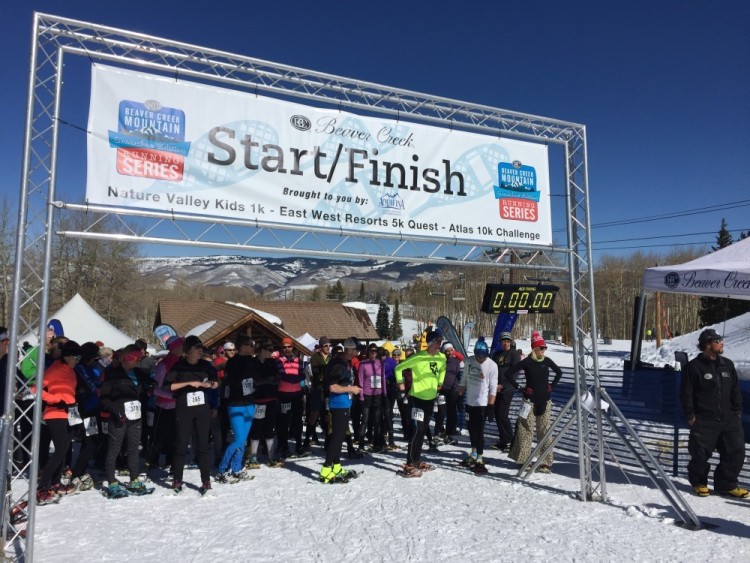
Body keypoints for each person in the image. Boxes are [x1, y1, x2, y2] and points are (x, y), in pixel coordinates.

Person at [680, 328, 747, 498]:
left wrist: (737, 410)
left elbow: (734, 389)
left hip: (729, 419)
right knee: (700, 454)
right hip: (704, 419)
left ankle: (726, 484)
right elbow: (686, 393)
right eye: (717, 341)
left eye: (720, 341)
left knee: (737, 451)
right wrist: (690, 415)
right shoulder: (694, 367)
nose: (721, 344)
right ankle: (699, 482)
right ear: (707, 345)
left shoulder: (727, 364)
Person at [164, 335, 220, 496]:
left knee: (202, 446)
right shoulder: (179, 366)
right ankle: (177, 480)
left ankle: (206, 481)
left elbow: (216, 382)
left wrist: (210, 384)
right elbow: (168, 386)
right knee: (181, 444)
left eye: (201, 347)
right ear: (188, 350)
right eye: (197, 348)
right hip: (184, 408)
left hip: (202, 408)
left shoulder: (206, 365)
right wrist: (188, 383)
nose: (200, 350)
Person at [100, 344, 154, 498]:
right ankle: (112, 482)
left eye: (139, 359)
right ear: (126, 359)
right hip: (119, 417)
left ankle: (134, 480)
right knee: (114, 450)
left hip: (135, 416)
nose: (137, 362)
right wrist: (115, 411)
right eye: (135, 359)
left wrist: (150, 387)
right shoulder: (113, 374)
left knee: (133, 449)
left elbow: (150, 384)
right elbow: (104, 397)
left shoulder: (138, 373)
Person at [505, 332, 562, 473]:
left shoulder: (547, 361)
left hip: (545, 401)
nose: (543, 350)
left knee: (544, 431)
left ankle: (546, 462)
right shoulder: (527, 362)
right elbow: (508, 374)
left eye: (545, 348)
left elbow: (559, 372)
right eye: (541, 348)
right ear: (534, 348)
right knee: (525, 431)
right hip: (529, 402)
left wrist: (552, 385)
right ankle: (523, 460)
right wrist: (520, 388)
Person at [33, 340, 81, 504]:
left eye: (79, 357)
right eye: (75, 357)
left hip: (69, 414)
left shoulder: (72, 371)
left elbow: (71, 392)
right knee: (60, 450)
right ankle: (42, 487)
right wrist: (55, 400)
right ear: (66, 356)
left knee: (65, 449)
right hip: (55, 414)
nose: (77, 360)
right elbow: (35, 389)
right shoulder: (54, 369)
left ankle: (55, 483)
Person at [394, 330, 446, 477]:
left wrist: (440, 383)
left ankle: (416, 460)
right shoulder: (418, 357)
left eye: (440, 342)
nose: (439, 344)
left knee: (423, 430)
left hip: (430, 398)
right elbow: (398, 368)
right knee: (417, 430)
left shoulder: (441, 357)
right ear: (430, 343)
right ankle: (409, 463)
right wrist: (401, 384)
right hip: (416, 398)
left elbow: (442, 369)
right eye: (437, 342)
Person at [319, 338, 361, 483]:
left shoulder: (343, 362)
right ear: (349, 349)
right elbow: (333, 387)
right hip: (338, 404)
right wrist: (352, 388)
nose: (357, 353)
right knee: (336, 438)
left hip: (343, 403)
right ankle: (325, 470)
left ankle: (336, 466)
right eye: (356, 350)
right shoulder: (338, 364)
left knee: (340, 436)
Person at [215, 335, 257, 483]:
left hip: (250, 403)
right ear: (243, 346)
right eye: (251, 345)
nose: (253, 348)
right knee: (238, 439)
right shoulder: (232, 362)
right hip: (236, 404)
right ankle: (221, 470)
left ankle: (237, 467)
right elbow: (229, 380)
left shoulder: (253, 361)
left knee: (243, 440)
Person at [458, 337, 497, 472]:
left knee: (479, 431)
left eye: (483, 356)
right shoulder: (469, 361)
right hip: (470, 402)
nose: (480, 359)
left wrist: (491, 406)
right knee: (471, 429)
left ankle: (480, 456)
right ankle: (473, 453)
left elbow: (493, 387)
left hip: (482, 403)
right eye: (478, 356)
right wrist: (459, 395)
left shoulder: (492, 365)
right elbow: (463, 380)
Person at [245, 340, 282, 468]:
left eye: (272, 350)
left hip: (271, 399)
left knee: (269, 429)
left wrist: (265, 381)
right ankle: (253, 457)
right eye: (268, 350)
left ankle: (271, 457)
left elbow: (277, 380)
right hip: (257, 401)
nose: (271, 353)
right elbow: (255, 381)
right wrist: (267, 380)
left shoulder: (272, 362)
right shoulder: (253, 362)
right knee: (256, 429)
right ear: (261, 350)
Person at [491, 332, 522, 451]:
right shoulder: (497, 354)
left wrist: (504, 385)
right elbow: (492, 369)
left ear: (510, 342)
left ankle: (510, 440)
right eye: (503, 341)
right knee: (497, 414)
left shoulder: (514, 354)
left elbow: (514, 373)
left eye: (507, 341)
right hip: (495, 388)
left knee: (503, 414)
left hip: (507, 389)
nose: (505, 343)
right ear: (500, 342)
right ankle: (503, 440)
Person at [276, 337, 305, 458]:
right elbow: (282, 375)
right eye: (284, 347)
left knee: (298, 421)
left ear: (292, 347)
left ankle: (299, 445)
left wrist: (295, 378)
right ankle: (284, 447)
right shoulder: (278, 361)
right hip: (284, 395)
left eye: (289, 346)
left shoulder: (299, 360)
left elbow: (302, 375)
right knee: (284, 421)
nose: (287, 349)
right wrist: (295, 377)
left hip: (297, 395)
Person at [302, 336, 332, 453]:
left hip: (328, 391)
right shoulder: (315, 357)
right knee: (314, 414)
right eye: (325, 345)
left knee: (327, 415)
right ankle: (306, 441)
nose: (328, 347)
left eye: (329, 345)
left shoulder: (331, 357)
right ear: (321, 346)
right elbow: (316, 373)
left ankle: (328, 442)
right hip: (317, 390)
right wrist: (326, 374)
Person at [356, 343, 387, 452]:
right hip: (367, 395)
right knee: (365, 420)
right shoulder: (363, 364)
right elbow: (360, 381)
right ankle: (361, 443)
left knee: (377, 420)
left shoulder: (380, 364)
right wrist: (361, 395)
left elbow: (383, 379)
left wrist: (385, 394)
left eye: (375, 351)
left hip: (378, 395)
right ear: (368, 352)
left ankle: (376, 443)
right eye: (371, 351)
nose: (373, 353)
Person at [434, 342, 462, 445]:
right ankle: (438, 432)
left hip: (453, 390)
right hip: (441, 390)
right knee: (441, 413)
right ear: (444, 351)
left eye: (451, 350)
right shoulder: (440, 360)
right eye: (448, 350)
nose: (450, 352)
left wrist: (458, 388)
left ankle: (450, 432)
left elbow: (461, 357)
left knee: (452, 412)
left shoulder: (456, 361)